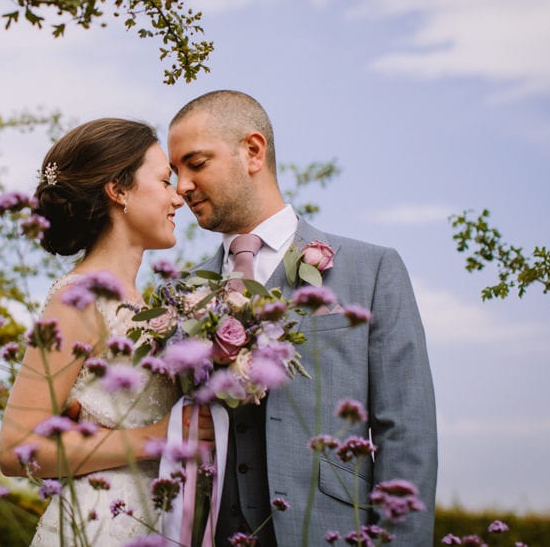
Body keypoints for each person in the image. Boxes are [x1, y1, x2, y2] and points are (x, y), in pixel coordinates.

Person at [167, 90, 437, 545]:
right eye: (175, 172)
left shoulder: (371, 270)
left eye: (195, 163)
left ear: (252, 151)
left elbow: (406, 433)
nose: (181, 186)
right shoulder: (181, 293)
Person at [0, 118, 212, 546]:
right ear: (119, 190)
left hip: (165, 521)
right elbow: (15, 450)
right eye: (165, 180)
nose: (178, 198)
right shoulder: (76, 299)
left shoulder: (153, 306)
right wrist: (155, 436)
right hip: (102, 526)